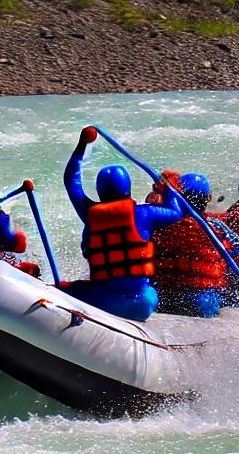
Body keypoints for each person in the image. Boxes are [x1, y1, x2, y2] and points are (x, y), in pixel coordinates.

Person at [61, 127, 184, 321]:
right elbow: (176, 212)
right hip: (142, 303)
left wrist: (82, 145)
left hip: (103, 301)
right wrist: (167, 187)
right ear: (128, 187)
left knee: (68, 288)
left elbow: (71, 181)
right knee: (150, 291)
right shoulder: (145, 214)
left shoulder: (90, 214)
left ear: (100, 191)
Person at [148, 172, 239, 318]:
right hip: (203, 301)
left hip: (166, 297)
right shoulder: (215, 226)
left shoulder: (162, 222)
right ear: (206, 199)